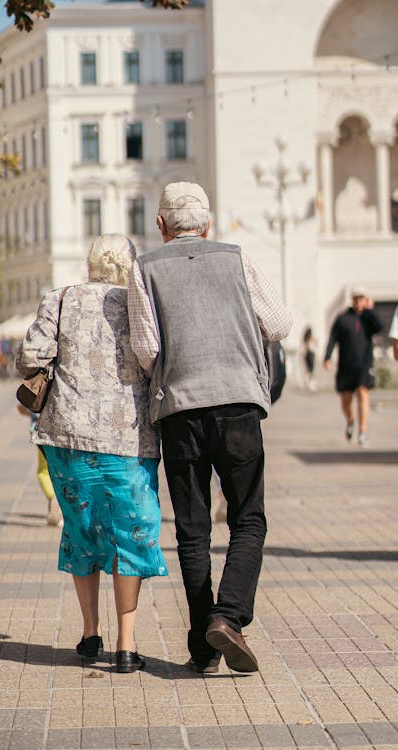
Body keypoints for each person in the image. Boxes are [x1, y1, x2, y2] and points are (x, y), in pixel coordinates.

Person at [128, 182, 292, 675]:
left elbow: (147, 348)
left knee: (193, 530)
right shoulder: (238, 258)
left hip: (180, 409)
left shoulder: (146, 267)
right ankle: (229, 616)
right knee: (247, 519)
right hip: (239, 403)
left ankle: (204, 647)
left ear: (160, 225)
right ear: (209, 223)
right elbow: (280, 323)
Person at [16, 234, 168, 674]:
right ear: (130, 268)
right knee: (131, 534)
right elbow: (153, 358)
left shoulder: (59, 299)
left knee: (82, 531)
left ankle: (88, 633)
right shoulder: (139, 304)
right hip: (129, 440)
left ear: (89, 266)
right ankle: (126, 644)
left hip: (67, 439)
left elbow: (30, 355)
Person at [324, 287, 383, 448]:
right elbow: (332, 338)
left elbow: (380, 327)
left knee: (363, 394)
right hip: (346, 366)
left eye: (361, 298)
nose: (358, 302)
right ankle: (350, 420)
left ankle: (362, 432)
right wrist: (327, 357)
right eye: (356, 298)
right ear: (352, 300)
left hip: (365, 365)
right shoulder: (343, 318)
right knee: (346, 399)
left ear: (365, 300)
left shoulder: (368, 318)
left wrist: (370, 310)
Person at [17, 404, 63, 526]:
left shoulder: (41, 385)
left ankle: (53, 497)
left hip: (42, 434)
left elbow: (22, 408)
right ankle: (60, 502)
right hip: (62, 433)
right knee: (62, 469)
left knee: (43, 472)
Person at [301, 326, 317, 391]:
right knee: (311, 369)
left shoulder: (306, 339)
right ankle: (310, 383)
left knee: (308, 369)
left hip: (307, 354)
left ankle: (307, 381)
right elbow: (316, 343)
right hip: (311, 354)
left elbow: (304, 347)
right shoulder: (311, 338)